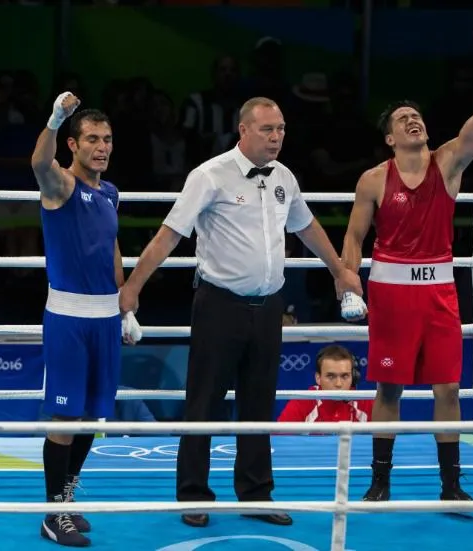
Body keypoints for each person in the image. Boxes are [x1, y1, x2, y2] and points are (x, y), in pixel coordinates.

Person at [118, 96, 362, 528]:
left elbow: (306, 226)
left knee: (258, 401)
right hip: (219, 306)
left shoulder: (285, 176)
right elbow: (170, 234)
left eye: (282, 129)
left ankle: (255, 492)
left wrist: (341, 272)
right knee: (203, 402)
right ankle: (192, 494)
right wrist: (133, 286)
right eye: (268, 129)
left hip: (269, 308)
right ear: (243, 130)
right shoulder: (209, 175)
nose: (277, 137)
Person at [340, 13, 473, 503]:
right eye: (402, 119)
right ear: (390, 137)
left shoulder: (448, 162)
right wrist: (349, 284)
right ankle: (380, 481)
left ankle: (451, 485)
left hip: (438, 292)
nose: (414, 120)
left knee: (447, 388)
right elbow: (353, 238)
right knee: (388, 389)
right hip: (390, 294)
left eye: (418, 116)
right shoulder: (372, 179)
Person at [30, 91, 142, 547]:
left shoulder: (110, 193)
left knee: (92, 415)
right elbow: (40, 164)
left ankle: (68, 499)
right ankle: (53, 513)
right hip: (69, 319)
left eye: (108, 139)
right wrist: (56, 118)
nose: (102, 146)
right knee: (65, 416)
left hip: (103, 318)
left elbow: (112, 250)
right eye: (93, 138)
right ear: (73, 145)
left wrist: (125, 307)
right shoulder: (62, 186)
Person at [277, 344, 373, 424]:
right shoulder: (302, 403)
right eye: (331, 376)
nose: (338, 384)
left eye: (344, 376)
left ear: (353, 377)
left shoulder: (365, 403)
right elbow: (278, 441)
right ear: (318, 378)